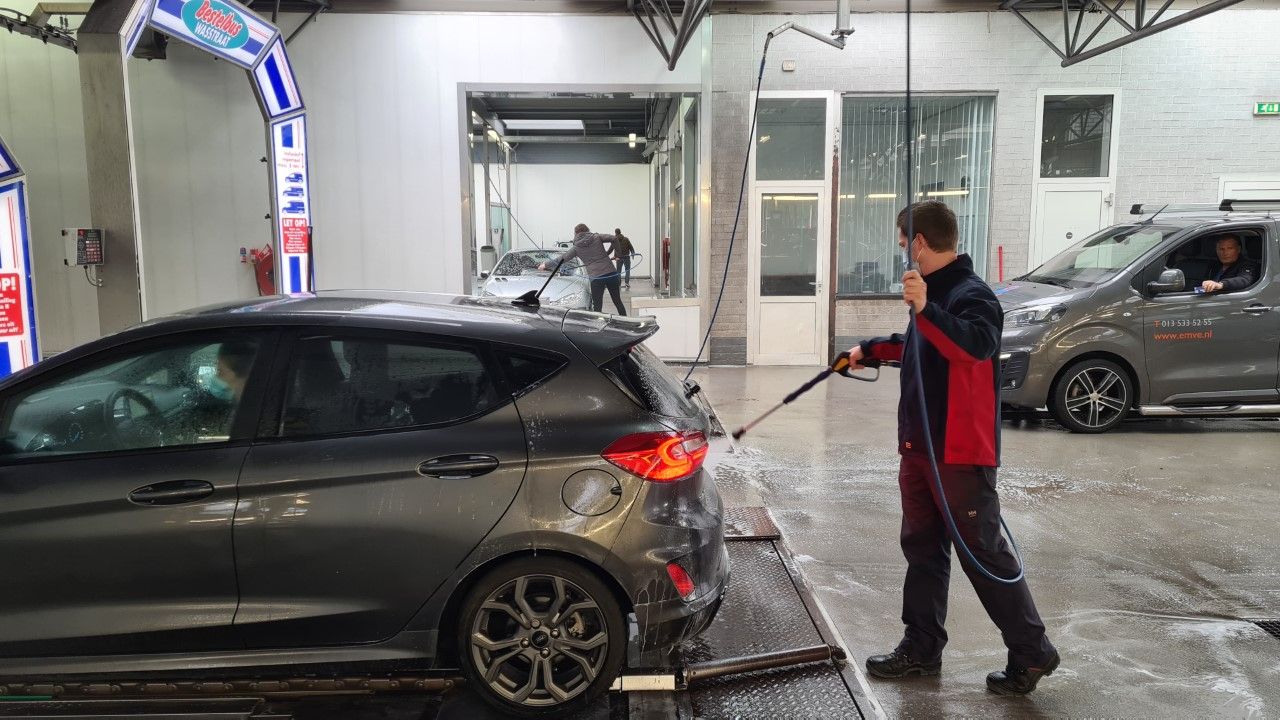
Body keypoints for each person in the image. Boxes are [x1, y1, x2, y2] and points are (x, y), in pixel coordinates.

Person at [846, 201, 1059, 696]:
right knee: (923, 550)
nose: (903, 253)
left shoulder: (972, 295)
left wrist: (925, 308)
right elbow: (924, 344)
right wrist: (872, 348)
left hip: (958, 453)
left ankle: (1032, 651)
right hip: (920, 447)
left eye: (904, 244)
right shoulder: (934, 296)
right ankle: (921, 648)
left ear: (919, 243)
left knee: (982, 554)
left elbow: (972, 346)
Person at [540, 223, 627, 315]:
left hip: (596, 278)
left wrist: (545, 265)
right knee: (617, 301)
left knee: (597, 306)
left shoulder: (576, 248)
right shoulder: (597, 237)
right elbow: (614, 238)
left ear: (575, 233)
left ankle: (598, 326)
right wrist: (617, 255)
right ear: (587, 230)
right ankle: (626, 323)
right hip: (611, 273)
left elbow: (562, 258)